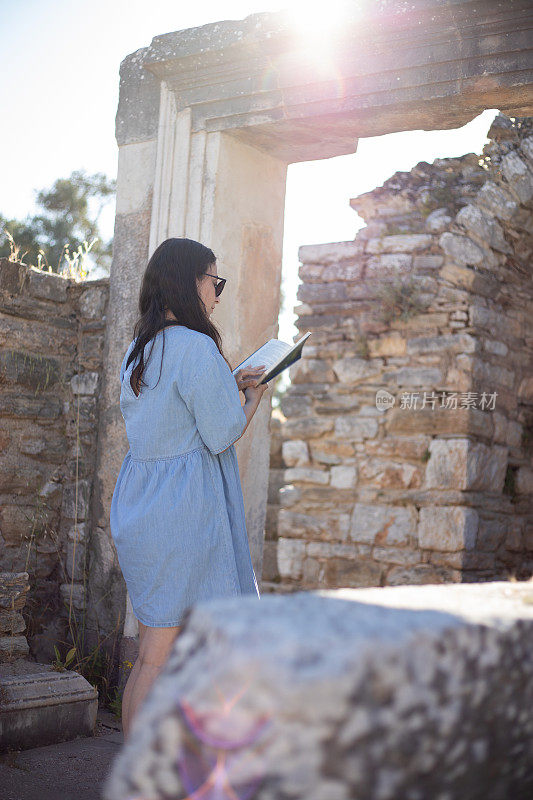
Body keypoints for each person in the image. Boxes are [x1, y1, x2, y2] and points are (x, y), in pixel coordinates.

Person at [109, 237, 268, 738]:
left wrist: (229, 385)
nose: (217, 293)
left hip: (141, 508)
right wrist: (254, 397)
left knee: (150, 653)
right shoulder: (197, 348)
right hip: (182, 515)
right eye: (214, 281)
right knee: (161, 657)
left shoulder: (139, 348)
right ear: (190, 281)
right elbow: (221, 433)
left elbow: (174, 420)